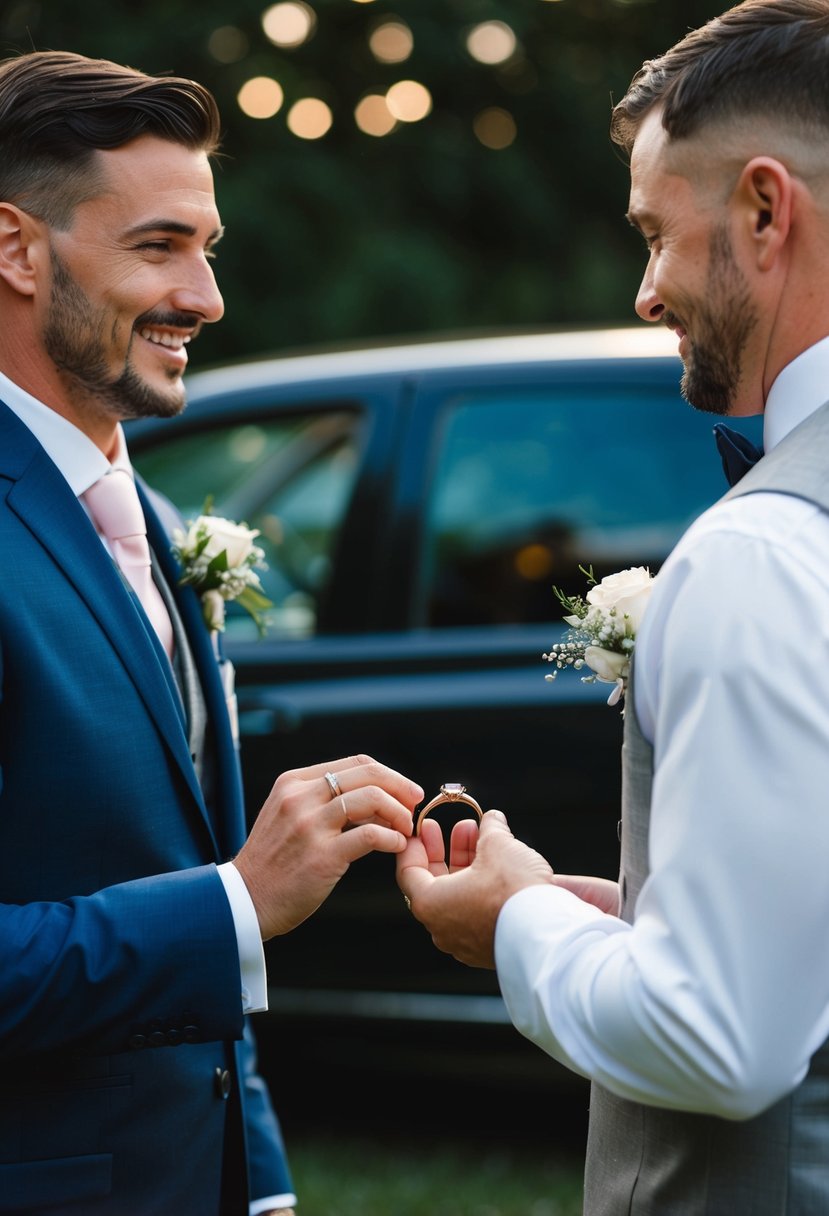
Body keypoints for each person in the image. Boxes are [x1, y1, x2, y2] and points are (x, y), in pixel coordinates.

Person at [397, 1, 829, 1211]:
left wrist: (520, 920)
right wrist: (649, 921)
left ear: (762, 208)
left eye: (655, 234)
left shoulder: (766, 550)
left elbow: (719, 1044)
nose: (646, 292)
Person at [0, 50, 423, 1216]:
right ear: (18, 250)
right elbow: (211, 904)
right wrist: (238, 899)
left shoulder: (165, 524)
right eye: (157, 246)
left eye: (208, 248)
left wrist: (263, 1185)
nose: (206, 296)